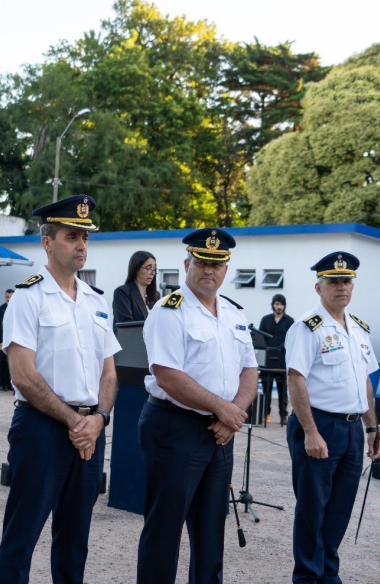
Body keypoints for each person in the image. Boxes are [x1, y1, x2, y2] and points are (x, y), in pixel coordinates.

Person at [0, 195, 120, 584]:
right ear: (47, 242)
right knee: (22, 537)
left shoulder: (97, 303)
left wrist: (97, 420)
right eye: (71, 236)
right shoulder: (28, 298)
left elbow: (109, 373)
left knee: (74, 540)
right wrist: (74, 422)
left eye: (85, 237)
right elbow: (23, 375)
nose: (81, 245)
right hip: (41, 429)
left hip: (89, 431)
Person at [137, 228, 258, 584]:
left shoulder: (235, 313)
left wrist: (232, 412)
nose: (210, 270)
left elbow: (249, 369)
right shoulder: (169, 310)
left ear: (226, 269)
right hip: (175, 428)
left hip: (221, 433)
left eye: (217, 264)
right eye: (203, 262)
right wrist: (224, 409)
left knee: (210, 532)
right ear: (188, 263)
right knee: (165, 529)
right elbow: (167, 375)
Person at [284, 251, 380, 584]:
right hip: (320, 425)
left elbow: (366, 383)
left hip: (354, 428)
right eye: (334, 282)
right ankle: (308, 577)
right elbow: (295, 379)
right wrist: (310, 432)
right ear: (319, 287)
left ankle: (328, 574)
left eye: (346, 282)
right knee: (313, 508)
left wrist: (372, 428)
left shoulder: (358, 329)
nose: (341, 288)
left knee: (340, 508)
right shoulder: (306, 328)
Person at [258, 293, 294, 425]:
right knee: (266, 389)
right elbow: (260, 336)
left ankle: (283, 416)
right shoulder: (265, 319)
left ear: (284, 306)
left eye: (281, 304)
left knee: (282, 390)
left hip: (282, 361)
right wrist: (269, 349)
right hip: (267, 361)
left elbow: (290, 339)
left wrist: (278, 349)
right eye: (277, 304)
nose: (279, 307)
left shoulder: (290, 321)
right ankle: (265, 414)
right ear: (273, 305)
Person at [112, 251, 158, 324]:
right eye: (148, 268)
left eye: (154, 269)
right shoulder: (123, 292)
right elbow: (126, 327)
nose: (153, 273)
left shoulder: (156, 295)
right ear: (136, 269)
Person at [0, 289, 15, 391]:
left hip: (14, 340)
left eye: (11, 297)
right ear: (5, 297)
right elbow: (0, 326)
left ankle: (10, 383)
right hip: (4, 339)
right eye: (7, 297)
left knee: (12, 363)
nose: (9, 299)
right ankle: (2, 384)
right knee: (3, 362)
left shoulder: (17, 308)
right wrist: (6, 338)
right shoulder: (0, 309)